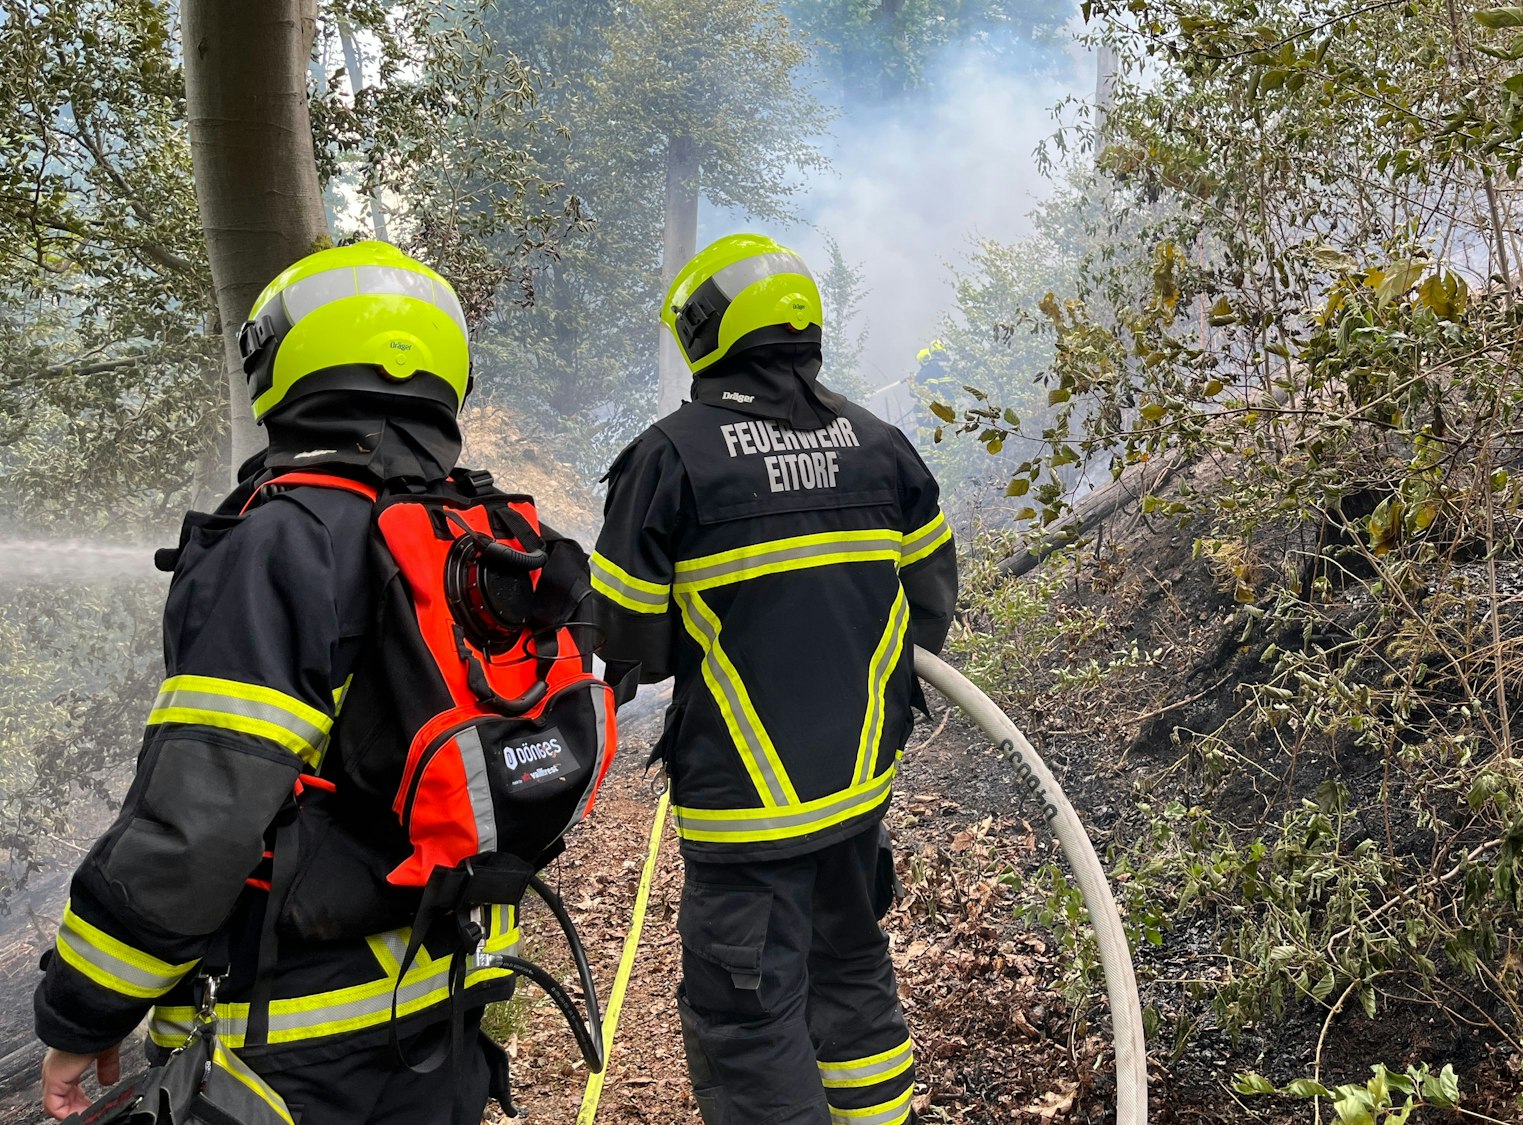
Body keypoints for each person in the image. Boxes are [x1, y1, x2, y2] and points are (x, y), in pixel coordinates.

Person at [37, 242, 537, 1124]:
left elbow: (199, 822)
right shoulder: (473, 531)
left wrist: (81, 1009)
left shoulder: (285, 540)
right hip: (440, 1005)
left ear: (282, 358)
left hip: (289, 1046)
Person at [591, 233, 958, 1125]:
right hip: (857, 788)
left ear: (705, 331)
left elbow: (630, 641)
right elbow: (931, 608)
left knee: (747, 1018)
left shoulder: (671, 457)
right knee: (850, 969)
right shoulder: (882, 447)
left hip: (746, 806)